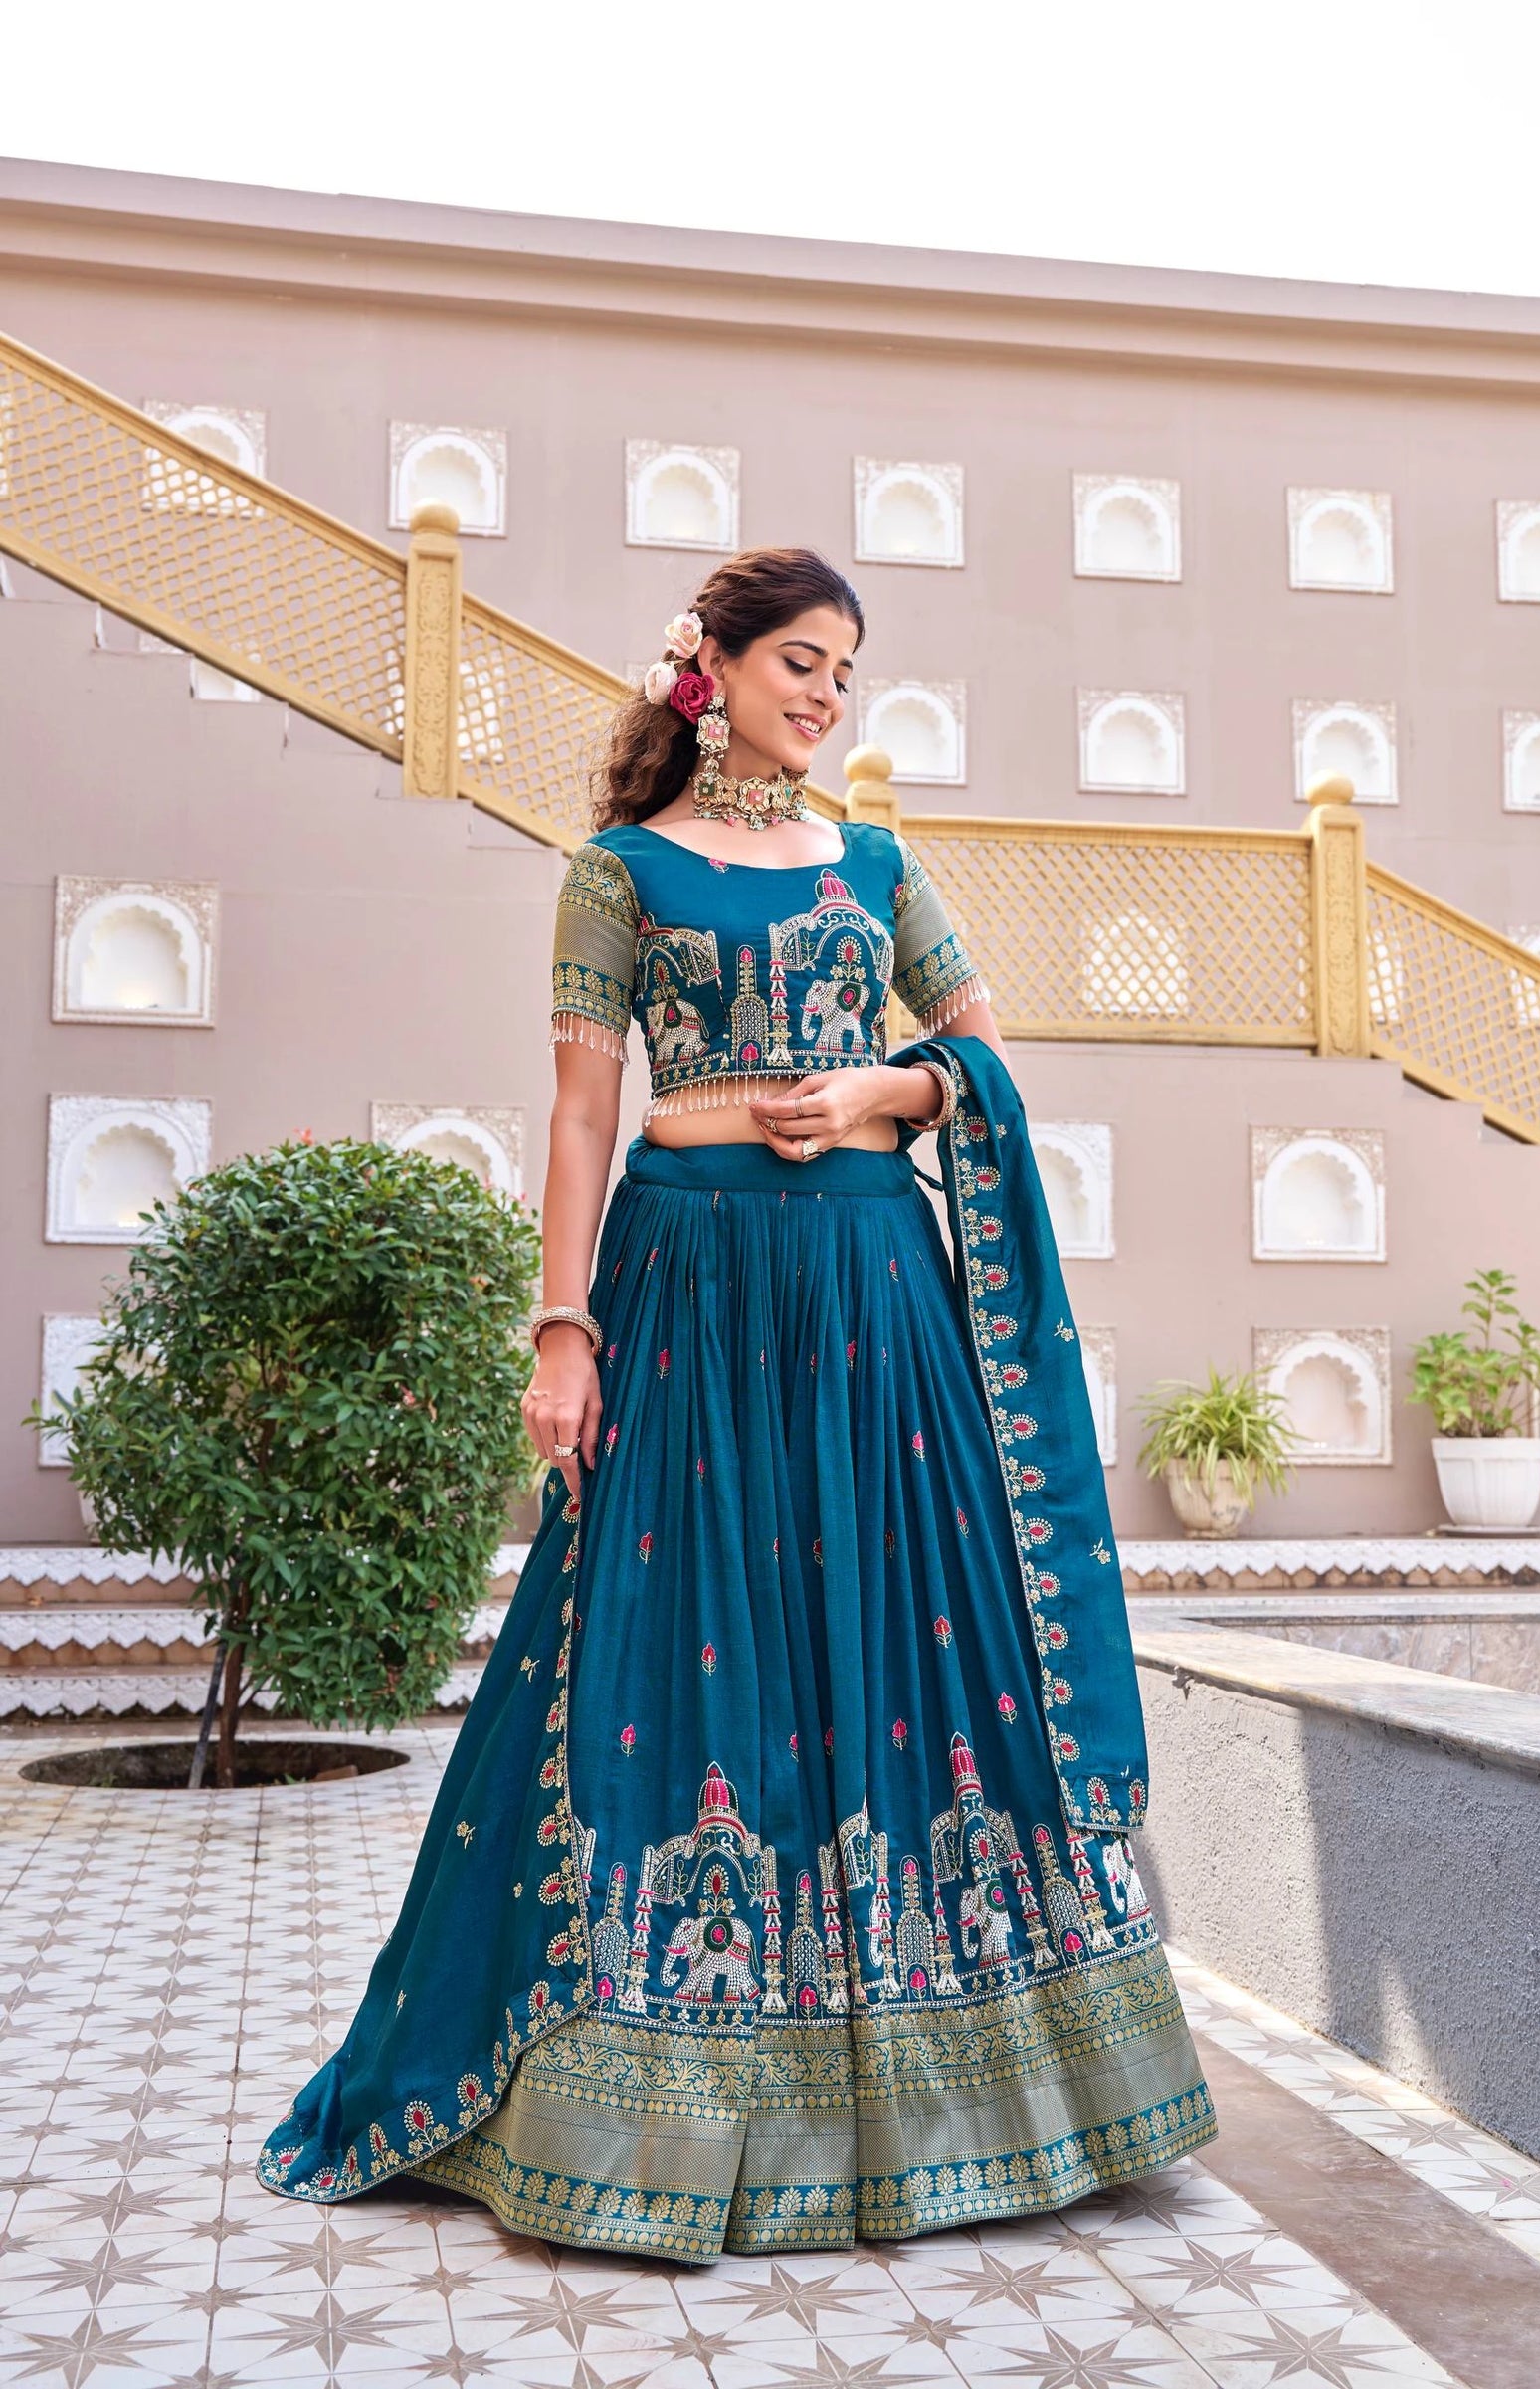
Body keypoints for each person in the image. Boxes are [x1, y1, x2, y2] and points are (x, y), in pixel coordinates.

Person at [258, 546, 1214, 2263]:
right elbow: (576, 1111)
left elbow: (983, 1052)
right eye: (802, 659)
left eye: (848, 668)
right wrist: (564, 1328)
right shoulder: (616, 872)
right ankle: (632, 2097)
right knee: (673, 1640)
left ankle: (962, 2095)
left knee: (901, 1630)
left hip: (867, 1277)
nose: (827, 693)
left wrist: (884, 1083)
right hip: (688, 1275)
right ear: (716, 663)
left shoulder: (876, 862)